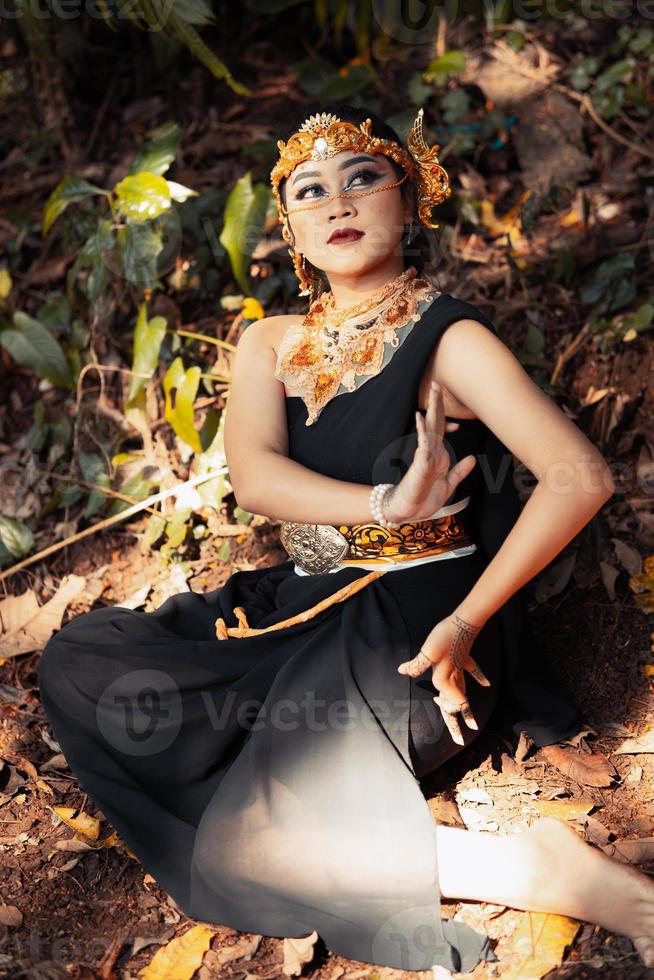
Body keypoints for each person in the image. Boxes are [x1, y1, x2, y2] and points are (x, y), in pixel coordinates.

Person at [37, 104, 654, 975]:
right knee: (77, 661)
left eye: (363, 179)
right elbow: (255, 478)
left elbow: (579, 477)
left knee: (244, 842)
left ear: (411, 201)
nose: (337, 202)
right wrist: (378, 504)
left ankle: (574, 882)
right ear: (289, 229)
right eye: (309, 191)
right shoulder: (270, 342)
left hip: (416, 636)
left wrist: (468, 622)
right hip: (304, 601)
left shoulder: (451, 341)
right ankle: (436, 845)